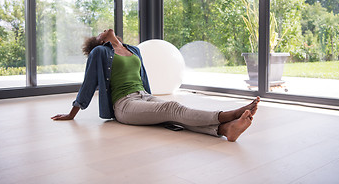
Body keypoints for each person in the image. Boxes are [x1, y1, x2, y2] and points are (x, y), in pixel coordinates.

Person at [51, 29, 260, 142]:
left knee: (173, 116)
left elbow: (144, 80)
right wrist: (72, 113)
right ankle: (227, 115)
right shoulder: (100, 53)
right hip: (124, 105)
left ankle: (226, 130)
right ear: (100, 42)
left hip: (143, 97)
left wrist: (150, 101)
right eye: (99, 34)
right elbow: (88, 84)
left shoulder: (134, 50)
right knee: (173, 107)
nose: (103, 30)